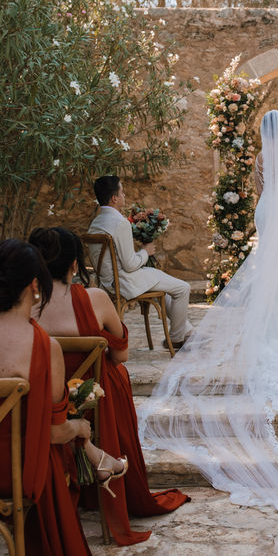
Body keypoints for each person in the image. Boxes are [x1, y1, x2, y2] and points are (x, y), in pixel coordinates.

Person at [138, 110, 278, 518]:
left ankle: (266, 325)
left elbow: (260, 189)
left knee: (268, 271)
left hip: (265, 211)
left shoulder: (261, 156)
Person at [30, 226, 190, 546]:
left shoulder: (26, 308)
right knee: (115, 375)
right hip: (96, 398)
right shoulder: (96, 299)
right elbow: (120, 354)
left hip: (48, 402)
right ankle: (107, 468)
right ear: (75, 264)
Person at [0, 239, 95, 555]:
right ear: (34, 286)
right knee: (53, 450)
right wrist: (81, 427)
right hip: (15, 473)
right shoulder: (44, 347)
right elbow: (55, 433)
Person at [87, 175, 192, 350]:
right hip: (124, 281)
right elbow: (130, 264)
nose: (124, 195)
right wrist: (146, 251)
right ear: (114, 198)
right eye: (122, 192)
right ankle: (176, 338)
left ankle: (188, 333)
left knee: (165, 290)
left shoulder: (96, 223)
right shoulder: (120, 223)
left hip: (107, 282)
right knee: (183, 288)